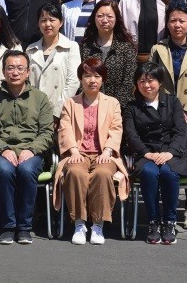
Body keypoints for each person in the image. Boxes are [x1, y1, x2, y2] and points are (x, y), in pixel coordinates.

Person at [149, 2, 187, 230]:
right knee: (166, 160)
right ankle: (167, 208)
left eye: (182, 21)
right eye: (173, 20)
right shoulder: (158, 49)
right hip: (164, 116)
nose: (177, 25)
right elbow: (151, 80)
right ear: (167, 23)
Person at [0, 50, 54, 245]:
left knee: (26, 170)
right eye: (10, 68)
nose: (15, 72)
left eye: (20, 68)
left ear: (28, 72)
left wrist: (31, 150)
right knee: (4, 171)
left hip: (32, 151)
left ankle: (24, 227)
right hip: (1, 152)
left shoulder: (40, 98)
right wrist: (3, 149)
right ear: (3, 71)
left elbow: (47, 132)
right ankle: (8, 226)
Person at [55, 58, 128, 246]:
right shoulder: (71, 103)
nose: (92, 80)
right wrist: (73, 150)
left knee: (102, 174)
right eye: (87, 76)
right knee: (75, 173)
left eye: (97, 76)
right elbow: (65, 128)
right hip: (77, 153)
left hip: (103, 153)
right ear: (81, 79)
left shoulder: (112, 103)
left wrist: (108, 151)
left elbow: (116, 129)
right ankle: (79, 223)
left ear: (103, 79)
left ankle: (97, 224)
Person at [124, 61, 187, 245]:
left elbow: (180, 131)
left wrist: (170, 153)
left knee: (169, 173)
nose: (146, 85)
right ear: (136, 84)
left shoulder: (173, 102)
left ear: (160, 82)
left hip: (172, 153)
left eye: (151, 80)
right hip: (146, 154)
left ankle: (169, 222)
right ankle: (153, 222)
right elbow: (131, 134)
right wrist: (146, 153)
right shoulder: (132, 107)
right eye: (141, 81)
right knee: (149, 172)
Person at [26, 3, 82, 118]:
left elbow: (73, 81)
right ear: (38, 23)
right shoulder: (30, 49)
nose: (47, 24)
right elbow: (26, 82)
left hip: (61, 111)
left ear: (61, 22)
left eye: (52, 20)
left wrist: (57, 112)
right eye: (43, 20)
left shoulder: (71, 47)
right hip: (34, 111)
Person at [79, 0, 138, 108]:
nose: (104, 20)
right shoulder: (85, 46)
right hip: (89, 106)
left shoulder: (126, 47)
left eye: (109, 16)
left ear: (116, 19)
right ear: (94, 18)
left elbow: (129, 82)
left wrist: (113, 107)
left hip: (118, 108)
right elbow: (80, 79)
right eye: (100, 16)